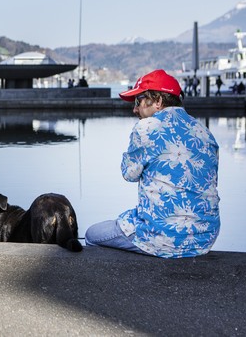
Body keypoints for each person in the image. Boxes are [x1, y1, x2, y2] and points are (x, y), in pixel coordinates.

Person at [85, 69, 220, 258]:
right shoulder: (204, 131)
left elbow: (128, 173)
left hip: (162, 237)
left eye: (138, 101)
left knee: (92, 235)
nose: (134, 109)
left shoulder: (147, 127)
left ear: (158, 101)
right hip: (204, 237)